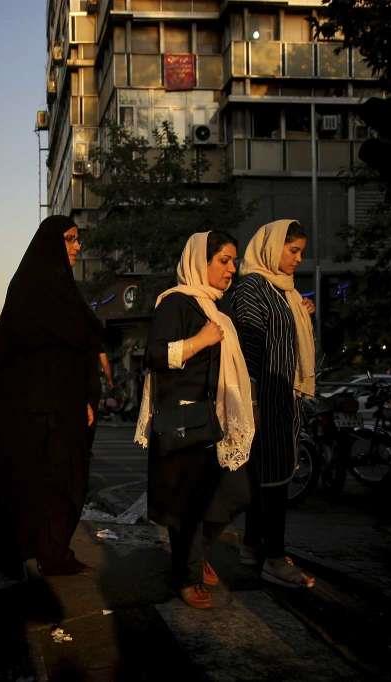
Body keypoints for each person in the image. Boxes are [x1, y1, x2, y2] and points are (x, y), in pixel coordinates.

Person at [0, 215, 102, 582]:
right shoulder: (30, 287)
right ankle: (19, 549)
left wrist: (86, 397)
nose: (77, 247)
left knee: (66, 483)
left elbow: (78, 351)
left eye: (78, 239)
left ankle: (52, 551)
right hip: (24, 412)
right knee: (24, 484)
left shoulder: (65, 291)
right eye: (71, 239)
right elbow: (31, 351)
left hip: (61, 410)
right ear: (51, 243)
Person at [134, 231, 255, 609]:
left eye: (233, 261)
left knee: (236, 493)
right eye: (223, 260)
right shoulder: (176, 304)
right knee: (184, 507)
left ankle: (197, 555)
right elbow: (153, 356)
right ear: (199, 262)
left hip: (213, 418)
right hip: (183, 419)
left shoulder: (216, 307)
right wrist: (200, 340)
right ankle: (183, 577)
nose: (231, 269)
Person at [231, 219, 317, 589]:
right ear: (271, 247)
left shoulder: (283, 291)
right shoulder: (253, 288)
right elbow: (249, 349)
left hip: (280, 397)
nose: (298, 259)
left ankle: (253, 546)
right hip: (263, 398)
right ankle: (274, 557)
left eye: (301, 252)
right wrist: (253, 402)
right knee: (271, 480)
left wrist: (299, 310)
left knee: (267, 477)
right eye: (292, 250)